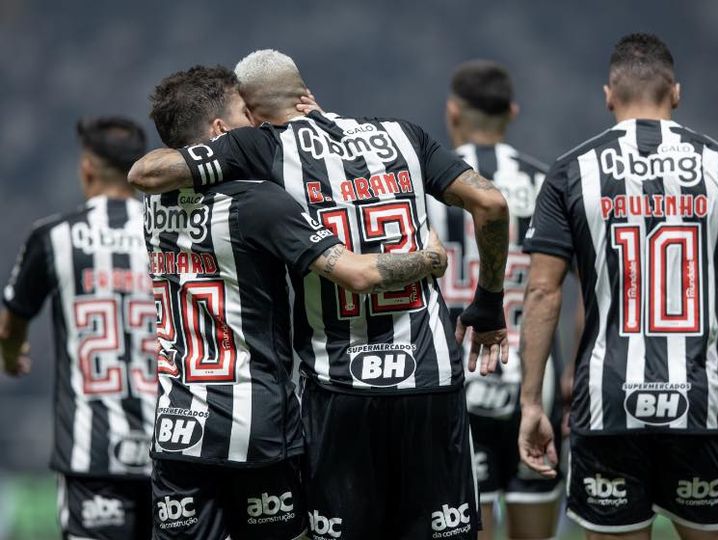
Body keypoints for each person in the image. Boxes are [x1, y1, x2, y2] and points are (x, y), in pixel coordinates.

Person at [130, 49, 512, 540]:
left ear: (254, 112)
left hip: (337, 389)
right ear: (303, 94)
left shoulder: (261, 148)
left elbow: (148, 173)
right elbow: (491, 202)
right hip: (429, 377)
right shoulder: (406, 135)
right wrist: (486, 299)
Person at [518, 33, 718, 540]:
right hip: (702, 405)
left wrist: (533, 403)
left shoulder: (571, 172)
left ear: (608, 95)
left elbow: (543, 293)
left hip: (608, 403)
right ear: (676, 93)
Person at [427, 59, 564, 539]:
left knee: (466, 522)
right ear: (512, 111)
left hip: (453, 377)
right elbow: (575, 282)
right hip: (535, 376)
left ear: (453, 112)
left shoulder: (427, 184)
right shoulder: (548, 183)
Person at [0, 117, 154, 540]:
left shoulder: (54, 236)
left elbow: (11, 324)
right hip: (174, 449)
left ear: (86, 167)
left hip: (92, 457)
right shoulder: (169, 234)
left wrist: (12, 358)